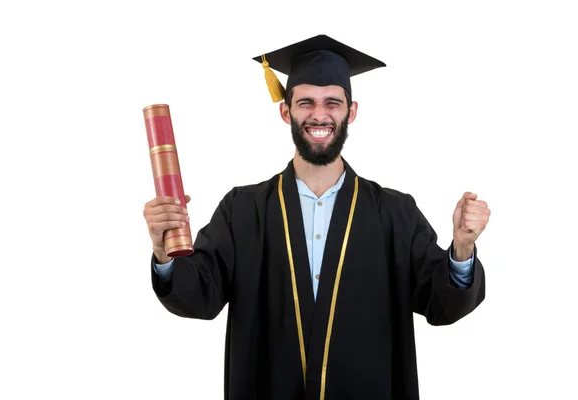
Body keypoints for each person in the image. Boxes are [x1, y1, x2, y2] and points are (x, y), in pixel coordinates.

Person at [143, 34, 490, 400]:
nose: (319, 114)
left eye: (332, 103)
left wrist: (462, 249)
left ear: (351, 111)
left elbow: (439, 303)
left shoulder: (393, 212)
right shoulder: (243, 210)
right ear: (285, 111)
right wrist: (164, 252)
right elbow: (199, 296)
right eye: (305, 101)